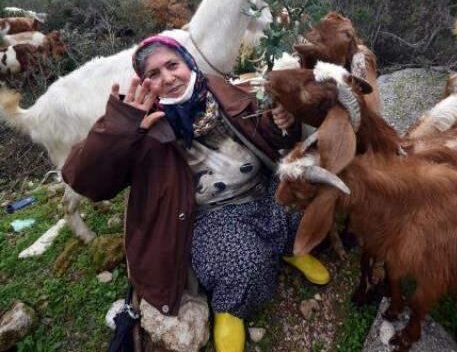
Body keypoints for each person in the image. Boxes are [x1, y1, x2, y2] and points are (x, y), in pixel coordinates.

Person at [62, 35, 330, 352]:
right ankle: (229, 312)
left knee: (311, 199)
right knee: (244, 265)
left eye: (172, 65)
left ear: (188, 64)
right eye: (154, 74)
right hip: (211, 217)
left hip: (261, 188)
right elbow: (86, 180)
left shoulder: (219, 89)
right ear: (145, 84)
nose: (168, 78)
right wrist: (121, 126)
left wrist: (279, 123)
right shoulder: (143, 125)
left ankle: (290, 249)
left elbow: (266, 137)